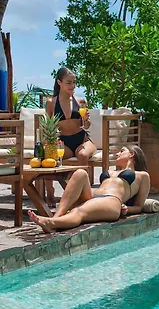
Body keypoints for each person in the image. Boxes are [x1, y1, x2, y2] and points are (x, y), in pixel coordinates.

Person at [28, 145, 150, 233]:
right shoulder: (112, 171)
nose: (117, 154)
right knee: (80, 173)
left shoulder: (142, 175)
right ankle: (57, 216)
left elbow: (139, 206)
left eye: (121, 151)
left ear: (131, 154)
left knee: (79, 211)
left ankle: (52, 223)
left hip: (111, 201)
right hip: (93, 198)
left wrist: (127, 209)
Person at [45, 67, 97, 207]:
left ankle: (84, 195)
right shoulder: (51, 103)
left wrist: (86, 119)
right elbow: (49, 126)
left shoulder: (80, 101)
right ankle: (50, 192)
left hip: (81, 139)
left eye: (74, 82)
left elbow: (86, 126)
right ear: (59, 82)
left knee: (83, 155)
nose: (72, 86)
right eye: (69, 82)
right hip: (64, 142)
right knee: (50, 157)